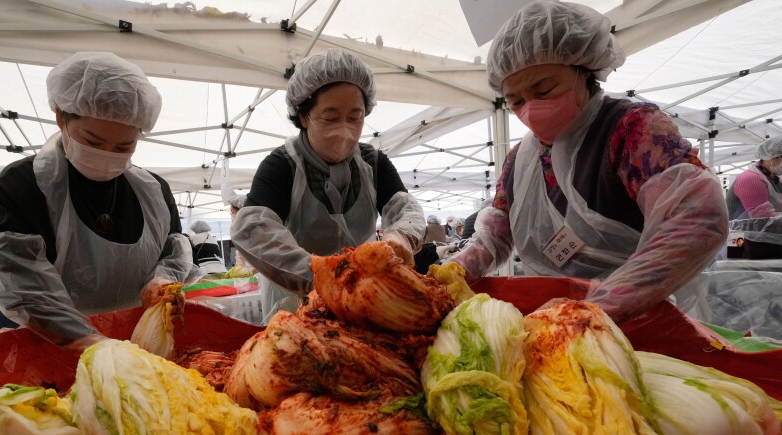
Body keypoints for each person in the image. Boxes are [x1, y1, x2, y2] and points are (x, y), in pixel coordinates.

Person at [447, 1, 727, 324]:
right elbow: (492, 237)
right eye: (517, 101)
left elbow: (698, 217)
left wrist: (596, 311)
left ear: (584, 69)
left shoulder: (630, 130)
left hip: (649, 323)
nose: (531, 109)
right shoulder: (518, 163)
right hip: (554, 327)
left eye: (544, 88)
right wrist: (450, 272)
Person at [0, 52, 190, 351]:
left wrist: (162, 281)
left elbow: (174, 251)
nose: (107, 153)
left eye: (124, 146)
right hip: (57, 346)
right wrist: (95, 345)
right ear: (60, 117)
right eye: (92, 142)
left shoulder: (154, 191)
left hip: (144, 342)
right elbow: (23, 285)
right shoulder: (25, 185)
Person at [231, 48, 424, 319]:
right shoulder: (282, 166)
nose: (344, 129)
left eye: (354, 118)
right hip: (293, 304)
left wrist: (400, 235)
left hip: (364, 299)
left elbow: (406, 210)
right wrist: (323, 275)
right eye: (330, 118)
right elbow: (253, 230)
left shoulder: (374, 163)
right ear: (302, 116)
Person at [726, 136, 782, 220]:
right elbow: (763, 220)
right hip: (741, 232)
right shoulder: (750, 179)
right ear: (771, 155)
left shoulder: (774, 179)